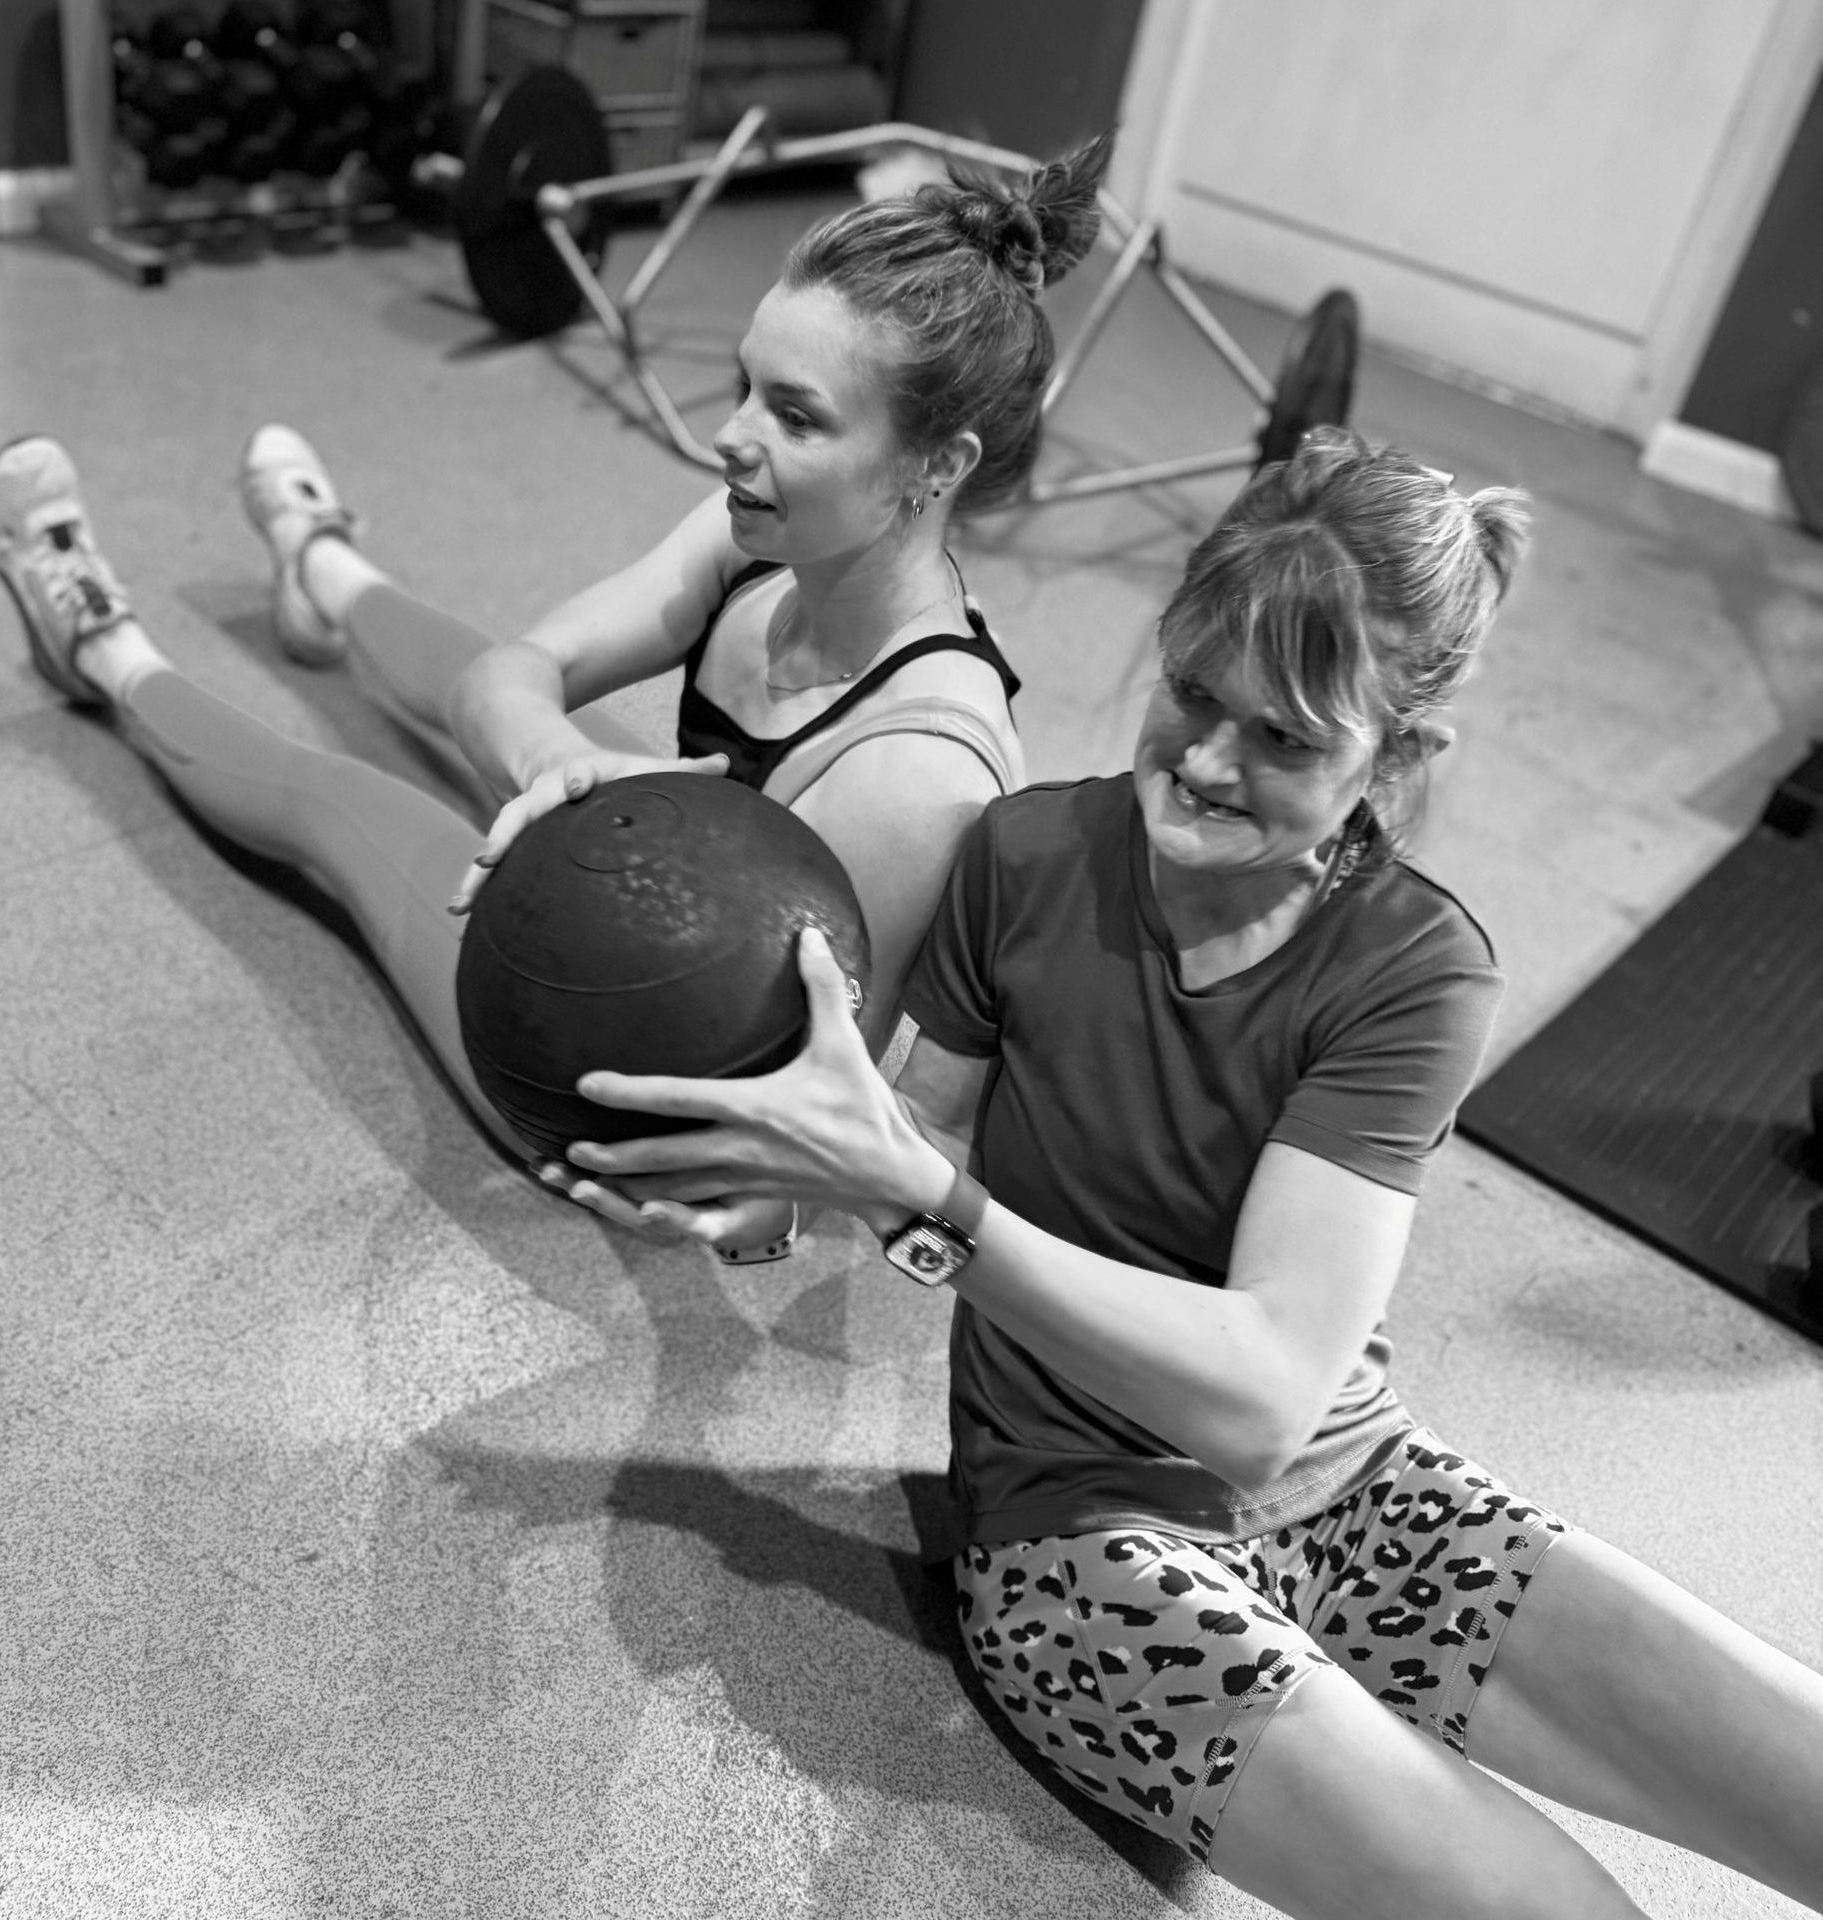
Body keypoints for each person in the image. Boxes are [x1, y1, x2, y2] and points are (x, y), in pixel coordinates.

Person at [556, 429, 1823, 1918]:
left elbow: (1266, 1394)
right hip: (1072, 1544)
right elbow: (921, 1145)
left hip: (1348, 1485)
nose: (1209, 761)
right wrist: (767, 1186)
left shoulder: (1414, 966)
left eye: (1284, 738)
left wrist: (929, 1202)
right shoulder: (1022, 859)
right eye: (1193, 694)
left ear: (1397, 759)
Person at [0, 134, 1111, 1255]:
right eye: (744, 389)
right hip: (667, 886)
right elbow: (505, 675)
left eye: (796, 416)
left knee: (341, 803)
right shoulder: (762, 537)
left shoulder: (917, 778)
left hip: (600, 1077)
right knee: (497, 674)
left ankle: (99, 646)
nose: (730, 439)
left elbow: (814, 1124)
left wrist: (754, 1218)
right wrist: (559, 766)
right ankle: (326, 574)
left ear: (940, 466)